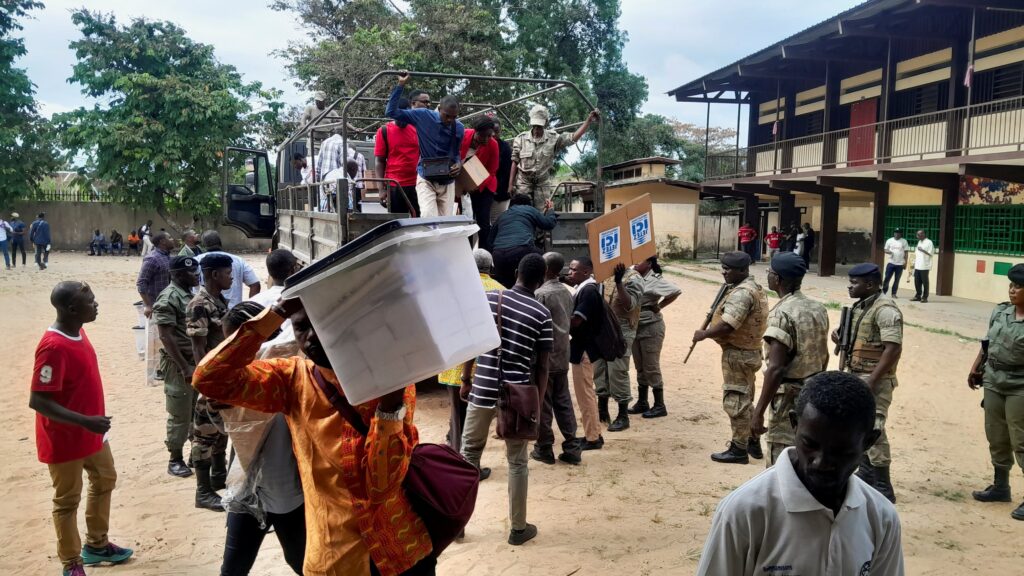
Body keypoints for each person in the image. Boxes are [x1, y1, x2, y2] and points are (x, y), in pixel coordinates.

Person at [192, 299, 435, 575]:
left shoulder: (387, 382)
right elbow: (208, 378)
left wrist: (390, 406)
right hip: (334, 559)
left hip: (400, 553)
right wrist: (277, 311)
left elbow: (380, 487)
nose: (311, 337)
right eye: (300, 327)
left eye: (321, 325)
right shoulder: (292, 379)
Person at [695, 371, 904, 576]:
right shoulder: (744, 512)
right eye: (810, 444)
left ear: (869, 442)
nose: (821, 463)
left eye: (840, 451)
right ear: (794, 424)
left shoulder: (881, 518)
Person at [30, 281, 134, 576]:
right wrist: (85, 421)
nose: (96, 305)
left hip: (93, 433)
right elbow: (38, 401)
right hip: (64, 438)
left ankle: (97, 544)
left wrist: (92, 424)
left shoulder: (78, 331)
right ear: (72, 309)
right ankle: (71, 563)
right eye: (90, 301)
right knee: (67, 501)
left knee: (104, 480)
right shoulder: (53, 347)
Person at [460, 253, 552, 546]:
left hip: (482, 388)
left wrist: (466, 378)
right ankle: (518, 528)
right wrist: (537, 403)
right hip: (517, 396)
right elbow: (543, 367)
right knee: (517, 462)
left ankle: (458, 526)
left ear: (516, 272)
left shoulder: (489, 299)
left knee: (469, 454)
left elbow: (473, 344)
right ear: (541, 280)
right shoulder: (542, 314)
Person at [219, 302, 306, 575]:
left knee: (302, 563)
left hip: (290, 492)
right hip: (248, 487)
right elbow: (223, 430)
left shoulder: (295, 374)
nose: (232, 351)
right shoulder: (234, 380)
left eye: (238, 343)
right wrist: (218, 410)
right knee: (233, 568)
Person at [750, 252, 830, 465]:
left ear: (777, 279)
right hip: (814, 394)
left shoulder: (781, 313)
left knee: (782, 460)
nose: (767, 275)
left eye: (770, 272)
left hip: (788, 398)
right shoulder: (818, 308)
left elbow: (776, 368)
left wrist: (758, 411)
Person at [835, 262, 903, 503]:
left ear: (871, 284)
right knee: (857, 425)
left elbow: (893, 348)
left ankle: (883, 484)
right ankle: (866, 472)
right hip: (856, 373)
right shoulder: (861, 306)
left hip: (875, 379)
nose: (850, 287)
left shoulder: (885, 310)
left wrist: (872, 381)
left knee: (874, 428)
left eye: (855, 283)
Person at [692, 251, 768, 464]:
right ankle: (752, 441)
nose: (724, 272)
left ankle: (738, 449)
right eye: (723, 268)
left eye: (728, 269)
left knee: (736, 400)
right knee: (746, 398)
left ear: (742, 270)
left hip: (738, 353)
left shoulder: (742, 293)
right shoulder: (753, 287)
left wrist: (705, 334)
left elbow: (728, 325)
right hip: (748, 351)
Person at [967, 263, 1024, 521]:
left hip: (1020, 385)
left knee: (1021, 440)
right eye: (1011, 285)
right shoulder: (1000, 311)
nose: (1012, 290)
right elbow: (987, 343)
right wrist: (976, 367)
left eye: (1018, 287)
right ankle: (1001, 486)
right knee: (996, 434)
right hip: (993, 379)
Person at [437, 249, 504, 465]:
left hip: (456, 364)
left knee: (459, 415)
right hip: (488, 369)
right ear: (491, 268)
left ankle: (460, 463)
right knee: (479, 418)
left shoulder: (453, 289)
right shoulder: (502, 291)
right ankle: (466, 459)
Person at [188, 253, 234, 512]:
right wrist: (206, 382)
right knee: (204, 435)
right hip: (211, 378)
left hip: (222, 375)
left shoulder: (218, 300)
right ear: (215, 274)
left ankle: (218, 477)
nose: (231, 277)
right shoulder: (200, 304)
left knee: (219, 431)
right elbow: (198, 347)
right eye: (228, 273)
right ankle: (203, 491)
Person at [385, 71, 465, 218]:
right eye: (447, 116)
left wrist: (459, 164)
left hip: (447, 181)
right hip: (426, 177)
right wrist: (401, 85)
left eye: (454, 117)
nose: (449, 120)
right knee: (428, 216)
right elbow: (391, 111)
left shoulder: (459, 128)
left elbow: (456, 153)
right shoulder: (423, 116)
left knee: (445, 222)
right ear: (439, 109)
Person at [530, 251, 582, 465]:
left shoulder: (541, 294)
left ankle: (544, 448)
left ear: (544, 269)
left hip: (545, 358)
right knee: (563, 402)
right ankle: (572, 447)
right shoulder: (567, 292)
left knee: (543, 403)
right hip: (562, 354)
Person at [153, 256, 201, 479]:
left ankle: (195, 453)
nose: (196, 275)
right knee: (180, 413)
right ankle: (175, 459)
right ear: (178, 274)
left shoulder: (188, 294)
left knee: (196, 410)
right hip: (178, 364)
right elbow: (166, 336)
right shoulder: (169, 297)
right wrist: (184, 367)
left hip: (193, 362)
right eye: (191, 272)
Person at [509, 104, 600, 210]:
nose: (536, 129)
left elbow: (573, 138)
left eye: (539, 126)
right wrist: (510, 185)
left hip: (542, 185)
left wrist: (588, 121)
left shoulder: (553, 138)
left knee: (543, 213)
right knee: (522, 212)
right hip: (523, 184)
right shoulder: (521, 139)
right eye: (534, 126)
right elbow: (514, 162)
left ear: (545, 123)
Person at [629, 256, 681, 419]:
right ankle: (642, 402)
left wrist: (659, 306)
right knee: (640, 366)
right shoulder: (633, 276)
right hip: (636, 326)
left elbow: (675, 291)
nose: (635, 263)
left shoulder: (654, 280)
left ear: (649, 264)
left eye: (640, 260)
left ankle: (659, 405)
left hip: (651, 327)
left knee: (651, 366)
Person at [595, 262, 644, 432]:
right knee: (599, 368)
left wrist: (618, 282)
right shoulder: (604, 275)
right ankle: (602, 410)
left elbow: (629, 304)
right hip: (602, 328)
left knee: (617, 370)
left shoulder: (634, 278)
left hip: (622, 330)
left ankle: (623, 416)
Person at [565, 257, 604, 451]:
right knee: (586, 393)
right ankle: (594, 433)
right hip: (584, 347)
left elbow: (576, 321)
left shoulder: (588, 291)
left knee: (585, 394)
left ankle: (592, 438)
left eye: (574, 270)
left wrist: (558, 319)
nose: (569, 273)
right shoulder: (585, 288)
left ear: (586, 272)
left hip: (584, 349)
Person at [488, 193, 557, 288]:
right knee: (546, 259)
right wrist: (551, 210)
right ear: (528, 204)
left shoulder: (503, 215)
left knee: (507, 286)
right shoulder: (529, 209)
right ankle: (546, 289)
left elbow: (490, 241)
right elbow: (548, 224)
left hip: (498, 255)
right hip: (521, 249)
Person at [137, 232, 175, 385]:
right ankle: (153, 375)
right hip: (156, 306)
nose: (173, 239)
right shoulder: (152, 259)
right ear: (162, 242)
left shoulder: (167, 257)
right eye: (170, 238)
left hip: (169, 304)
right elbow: (141, 283)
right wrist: (148, 305)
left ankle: (163, 370)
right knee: (154, 342)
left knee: (166, 339)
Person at [374, 97, 421, 217]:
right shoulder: (384, 131)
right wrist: (381, 189)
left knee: (420, 219)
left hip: (417, 184)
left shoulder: (417, 130)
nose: (401, 119)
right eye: (398, 116)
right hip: (394, 185)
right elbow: (379, 161)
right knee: (398, 220)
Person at [459, 116, 500, 250]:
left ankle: (484, 253)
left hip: (484, 186)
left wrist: (476, 185)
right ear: (475, 131)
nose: (486, 139)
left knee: (483, 221)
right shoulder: (463, 135)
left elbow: (492, 171)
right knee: (466, 220)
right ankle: (467, 251)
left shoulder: (493, 144)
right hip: (462, 184)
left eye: (489, 135)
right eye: (483, 135)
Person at [194, 230, 261, 309]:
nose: (231, 277)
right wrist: (250, 309)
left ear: (203, 245)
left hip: (205, 308)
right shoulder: (238, 260)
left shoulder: (195, 261)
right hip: (233, 310)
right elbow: (255, 284)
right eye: (228, 273)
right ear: (220, 242)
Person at [315, 133, 366, 212]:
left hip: (325, 179)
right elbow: (345, 163)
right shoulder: (342, 143)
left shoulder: (324, 142)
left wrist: (318, 180)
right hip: (338, 179)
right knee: (343, 203)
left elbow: (319, 165)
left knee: (326, 199)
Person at [490, 121, 514, 226]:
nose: (494, 134)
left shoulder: (505, 147)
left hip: (500, 192)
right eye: (492, 131)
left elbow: (507, 171)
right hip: (485, 191)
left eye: (497, 131)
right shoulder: (482, 144)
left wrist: (504, 188)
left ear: (500, 131)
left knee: (498, 221)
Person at [882, 228, 909, 298]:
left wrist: (905, 263)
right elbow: (885, 249)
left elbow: (906, 253)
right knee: (887, 278)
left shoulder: (904, 241)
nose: (897, 234)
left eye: (898, 233)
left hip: (900, 264)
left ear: (901, 234)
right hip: (891, 263)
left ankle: (894, 293)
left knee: (897, 279)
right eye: (895, 232)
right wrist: (889, 252)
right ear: (894, 233)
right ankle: (883, 292)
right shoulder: (889, 240)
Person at [912, 229, 935, 303]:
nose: (918, 236)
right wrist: (913, 263)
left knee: (925, 282)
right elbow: (916, 253)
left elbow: (931, 253)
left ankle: (925, 297)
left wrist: (922, 250)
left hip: (925, 265)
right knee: (917, 282)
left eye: (919, 234)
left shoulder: (929, 242)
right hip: (917, 265)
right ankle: (918, 296)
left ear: (924, 234)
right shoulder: (919, 242)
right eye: (917, 234)